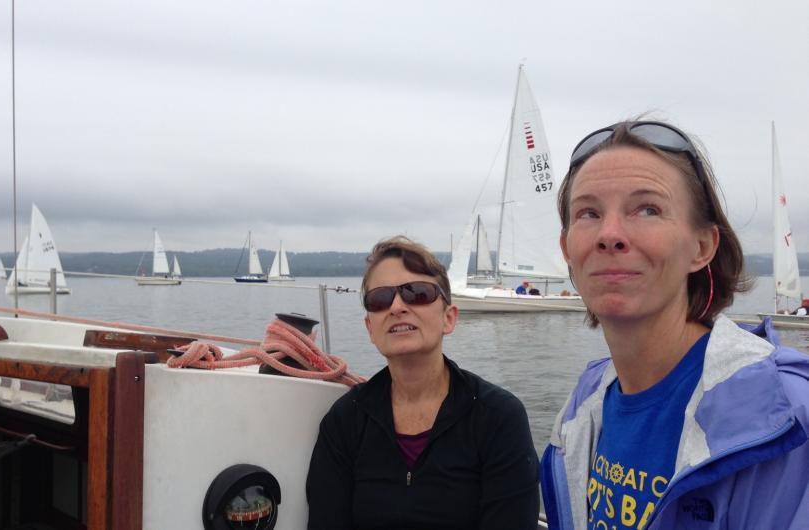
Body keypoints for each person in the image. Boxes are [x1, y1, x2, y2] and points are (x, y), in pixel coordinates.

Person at [541, 120, 809, 529]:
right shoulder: (583, 406)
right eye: (589, 213)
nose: (609, 235)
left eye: (648, 209)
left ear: (702, 247)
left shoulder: (788, 416)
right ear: (567, 249)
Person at [307, 236, 540, 529]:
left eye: (417, 293)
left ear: (449, 318)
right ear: (370, 328)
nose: (396, 306)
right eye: (380, 299)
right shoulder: (345, 420)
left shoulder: (497, 417)